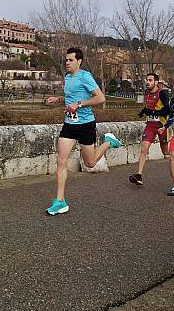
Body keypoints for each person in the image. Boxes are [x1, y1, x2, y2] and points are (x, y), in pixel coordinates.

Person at [45, 47, 121, 215]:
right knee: (61, 160)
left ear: (79, 61)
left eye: (70, 60)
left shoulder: (85, 76)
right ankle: (60, 201)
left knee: (90, 163)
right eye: (66, 60)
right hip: (69, 125)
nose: (67, 62)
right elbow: (71, 98)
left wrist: (79, 105)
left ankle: (109, 141)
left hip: (86, 124)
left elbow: (100, 98)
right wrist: (58, 99)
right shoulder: (67, 77)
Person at [129, 73, 170, 186]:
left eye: (150, 80)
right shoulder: (147, 92)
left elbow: (167, 110)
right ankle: (139, 175)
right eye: (146, 80)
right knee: (144, 148)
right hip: (150, 126)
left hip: (161, 125)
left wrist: (153, 112)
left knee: (165, 151)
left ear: (156, 82)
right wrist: (143, 112)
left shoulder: (162, 93)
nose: (147, 82)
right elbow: (149, 106)